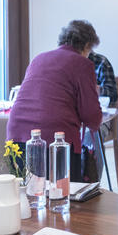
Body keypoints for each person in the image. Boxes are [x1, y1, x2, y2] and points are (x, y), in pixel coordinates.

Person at [7, 19, 104, 184]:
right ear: (87, 45)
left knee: (24, 195)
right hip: (55, 140)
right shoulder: (83, 64)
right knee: (61, 197)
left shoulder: (39, 58)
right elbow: (92, 116)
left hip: (17, 136)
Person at [88, 49, 118, 139]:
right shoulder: (68, 63)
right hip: (75, 119)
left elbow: (113, 94)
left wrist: (97, 90)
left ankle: (91, 152)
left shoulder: (101, 62)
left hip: (102, 118)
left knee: (90, 136)